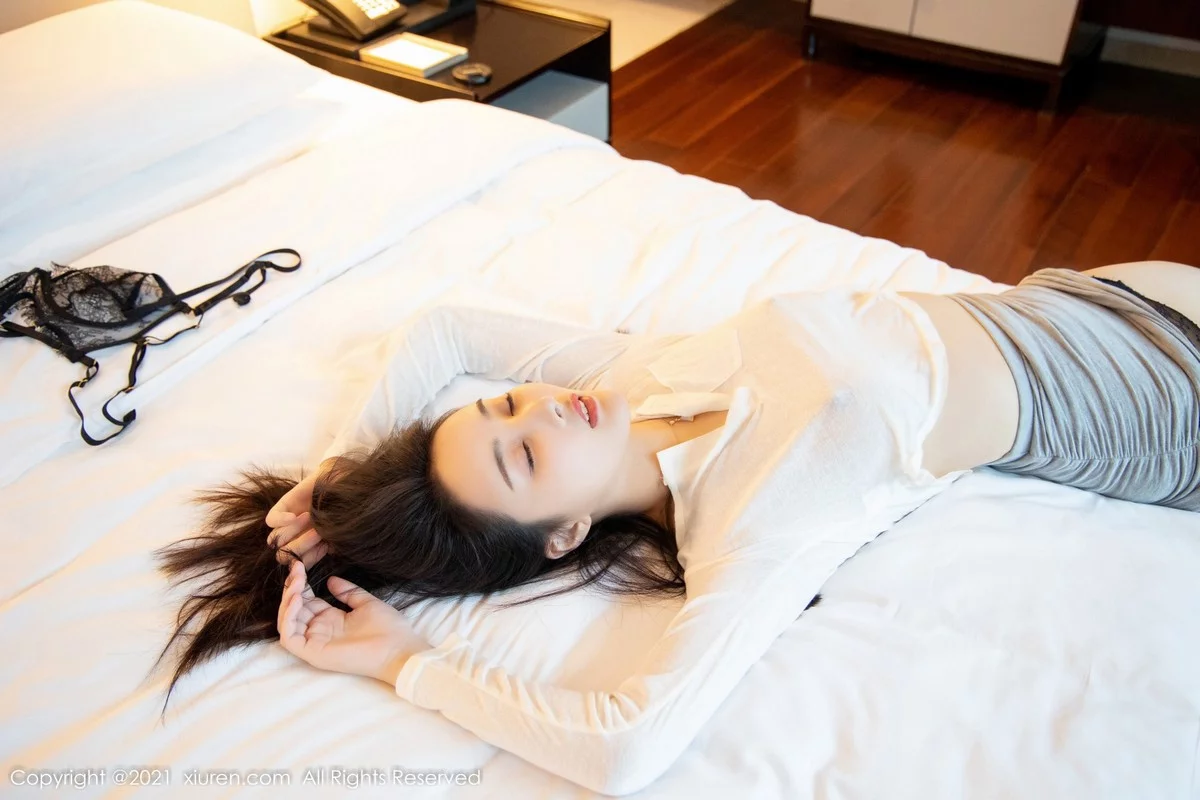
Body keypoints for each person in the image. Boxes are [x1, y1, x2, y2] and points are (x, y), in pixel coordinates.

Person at [157, 260, 1200, 795]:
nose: (538, 410)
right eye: (524, 457)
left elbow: (445, 328)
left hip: (1086, 295)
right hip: (1161, 402)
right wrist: (406, 662)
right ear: (562, 535)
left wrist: (341, 466)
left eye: (505, 406)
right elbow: (625, 749)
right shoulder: (755, 523)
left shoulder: (631, 379)